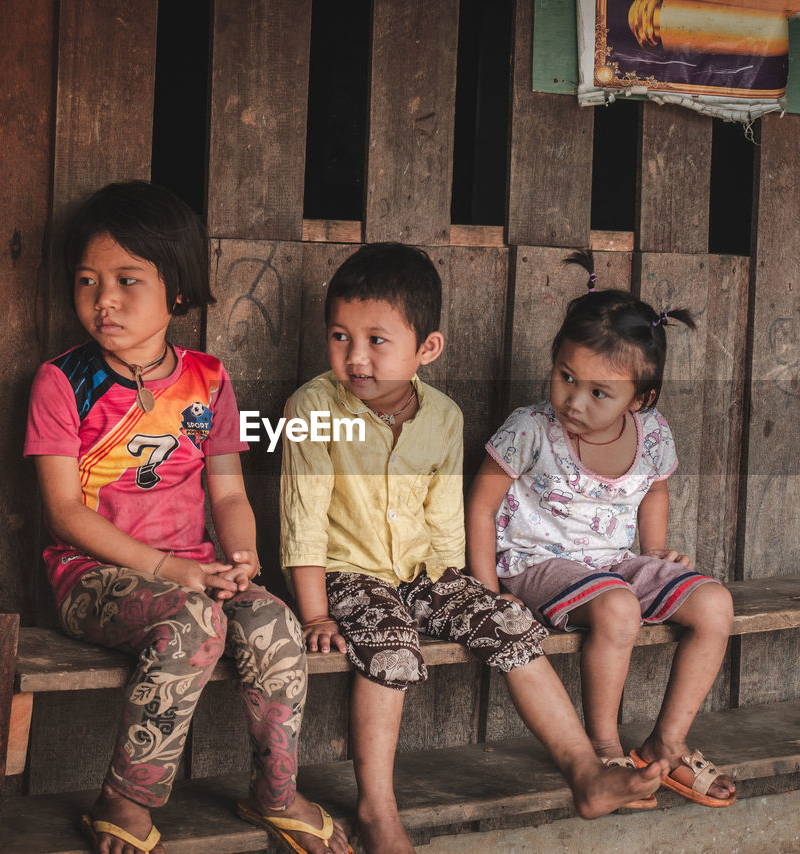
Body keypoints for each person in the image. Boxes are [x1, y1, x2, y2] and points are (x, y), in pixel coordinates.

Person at [280, 243, 667, 854]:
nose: (355, 357)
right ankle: (378, 810)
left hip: (426, 574)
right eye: (339, 336)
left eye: (377, 340)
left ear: (425, 349)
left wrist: (465, 592)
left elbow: (444, 522)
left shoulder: (444, 416)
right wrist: (315, 613)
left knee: (511, 623)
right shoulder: (311, 408)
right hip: (345, 576)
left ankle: (586, 772)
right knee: (390, 644)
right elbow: (302, 522)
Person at [25, 181, 351, 854]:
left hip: (194, 573)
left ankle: (276, 792)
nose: (103, 299)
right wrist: (174, 571)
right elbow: (62, 512)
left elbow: (227, 492)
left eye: (126, 280)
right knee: (192, 621)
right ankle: (126, 796)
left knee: (275, 623)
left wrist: (241, 560)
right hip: (92, 578)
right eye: (87, 280)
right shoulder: (62, 381)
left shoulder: (208, 380)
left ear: (176, 291)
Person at [466, 251, 737, 809]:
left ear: (640, 400)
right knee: (617, 607)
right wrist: (486, 588)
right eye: (566, 376)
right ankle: (604, 750)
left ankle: (667, 741)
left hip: (611, 562)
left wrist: (655, 551)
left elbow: (655, 487)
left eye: (598, 393)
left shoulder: (653, 432)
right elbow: (481, 505)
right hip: (535, 564)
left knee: (714, 604)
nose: (573, 400)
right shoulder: (531, 427)